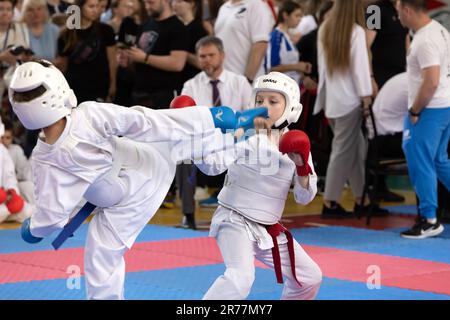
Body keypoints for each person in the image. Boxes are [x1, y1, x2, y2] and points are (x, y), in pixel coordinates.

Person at [10, 59, 268, 299]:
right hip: (144, 164)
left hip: (126, 199)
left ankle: (229, 138)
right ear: (59, 89)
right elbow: (145, 121)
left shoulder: (44, 160)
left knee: (101, 261)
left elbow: (52, 217)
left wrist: (32, 229)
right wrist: (210, 116)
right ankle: (232, 137)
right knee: (176, 142)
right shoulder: (87, 115)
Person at [199, 71, 322, 300]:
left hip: (268, 228)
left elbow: (304, 198)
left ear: (291, 108)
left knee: (309, 278)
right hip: (234, 219)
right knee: (240, 278)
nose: (264, 106)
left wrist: (302, 166)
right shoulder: (243, 132)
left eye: (273, 101)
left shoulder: (296, 142)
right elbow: (212, 167)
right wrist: (198, 144)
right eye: (259, 100)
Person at [315, 0, 388, 218]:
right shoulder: (357, 30)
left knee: (355, 150)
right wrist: (366, 97)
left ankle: (361, 199)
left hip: (333, 99)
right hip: (350, 99)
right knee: (344, 151)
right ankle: (329, 202)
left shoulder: (325, 28)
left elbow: (324, 69)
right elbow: (360, 68)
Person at [396, 0, 450, 239]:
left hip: (430, 108)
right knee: (438, 161)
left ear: (407, 10)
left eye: (398, 9)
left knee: (421, 160)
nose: (397, 14)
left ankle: (429, 220)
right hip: (443, 105)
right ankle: (430, 217)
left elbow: (432, 80)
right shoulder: (439, 29)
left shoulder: (426, 39)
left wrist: (415, 110)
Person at [182, 36, 252, 209]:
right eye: (202, 56)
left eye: (211, 55)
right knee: (182, 152)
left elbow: (250, 115)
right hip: (203, 140)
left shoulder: (239, 82)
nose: (207, 60)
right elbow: (184, 118)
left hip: (235, 138)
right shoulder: (191, 85)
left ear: (222, 55)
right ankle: (188, 214)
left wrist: (237, 134)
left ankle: (243, 204)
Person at [56, 0, 117, 103]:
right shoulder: (66, 34)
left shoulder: (106, 30)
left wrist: (113, 84)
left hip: (100, 87)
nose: (96, 10)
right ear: (80, 7)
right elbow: (63, 66)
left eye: (98, 6)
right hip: (74, 88)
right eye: (91, 6)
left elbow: (112, 61)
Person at [214, 0, 275, 83]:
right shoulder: (224, 7)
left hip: (245, 81)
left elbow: (260, 44)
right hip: (224, 80)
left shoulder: (257, 5)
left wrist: (247, 80)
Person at [264, 0, 312, 84]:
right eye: (297, 15)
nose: (300, 19)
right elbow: (272, 67)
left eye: (301, 16)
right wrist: (296, 66)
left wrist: (302, 71)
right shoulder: (277, 36)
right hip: (280, 88)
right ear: (285, 15)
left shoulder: (286, 36)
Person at [1, 118, 34, 204]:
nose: (3, 141)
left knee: (29, 186)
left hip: (11, 186)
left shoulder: (16, 150)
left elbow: (24, 173)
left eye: (7, 138)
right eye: (1, 137)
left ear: (12, 138)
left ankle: (36, 214)